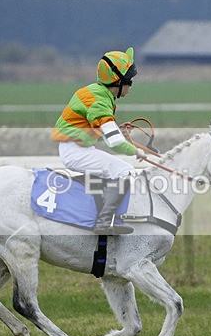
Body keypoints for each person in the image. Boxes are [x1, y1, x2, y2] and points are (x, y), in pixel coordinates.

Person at [52, 47, 147, 234]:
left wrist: (117, 129)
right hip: (75, 151)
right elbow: (115, 142)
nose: (131, 86)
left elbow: (100, 130)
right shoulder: (99, 101)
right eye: (130, 81)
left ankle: (115, 219)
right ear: (118, 81)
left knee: (120, 170)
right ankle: (105, 222)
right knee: (125, 171)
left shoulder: (99, 94)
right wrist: (137, 151)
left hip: (79, 147)